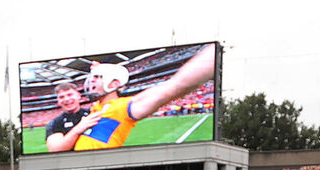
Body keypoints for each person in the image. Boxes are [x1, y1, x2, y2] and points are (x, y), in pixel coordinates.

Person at [67, 43, 216, 151]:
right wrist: (98, 71)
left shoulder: (124, 107)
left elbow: (176, 86)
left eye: (98, 78)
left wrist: (215, 52)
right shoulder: (97, 107)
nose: (92, 81)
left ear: (113, 84)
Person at [43, 82, 92, 152]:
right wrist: (78, 129)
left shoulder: (92, 113)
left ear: (79, 96)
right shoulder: (55, 123)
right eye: (61, 97)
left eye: (70, 95)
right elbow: (55, 150)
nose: (66, 99)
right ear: (58, 101)